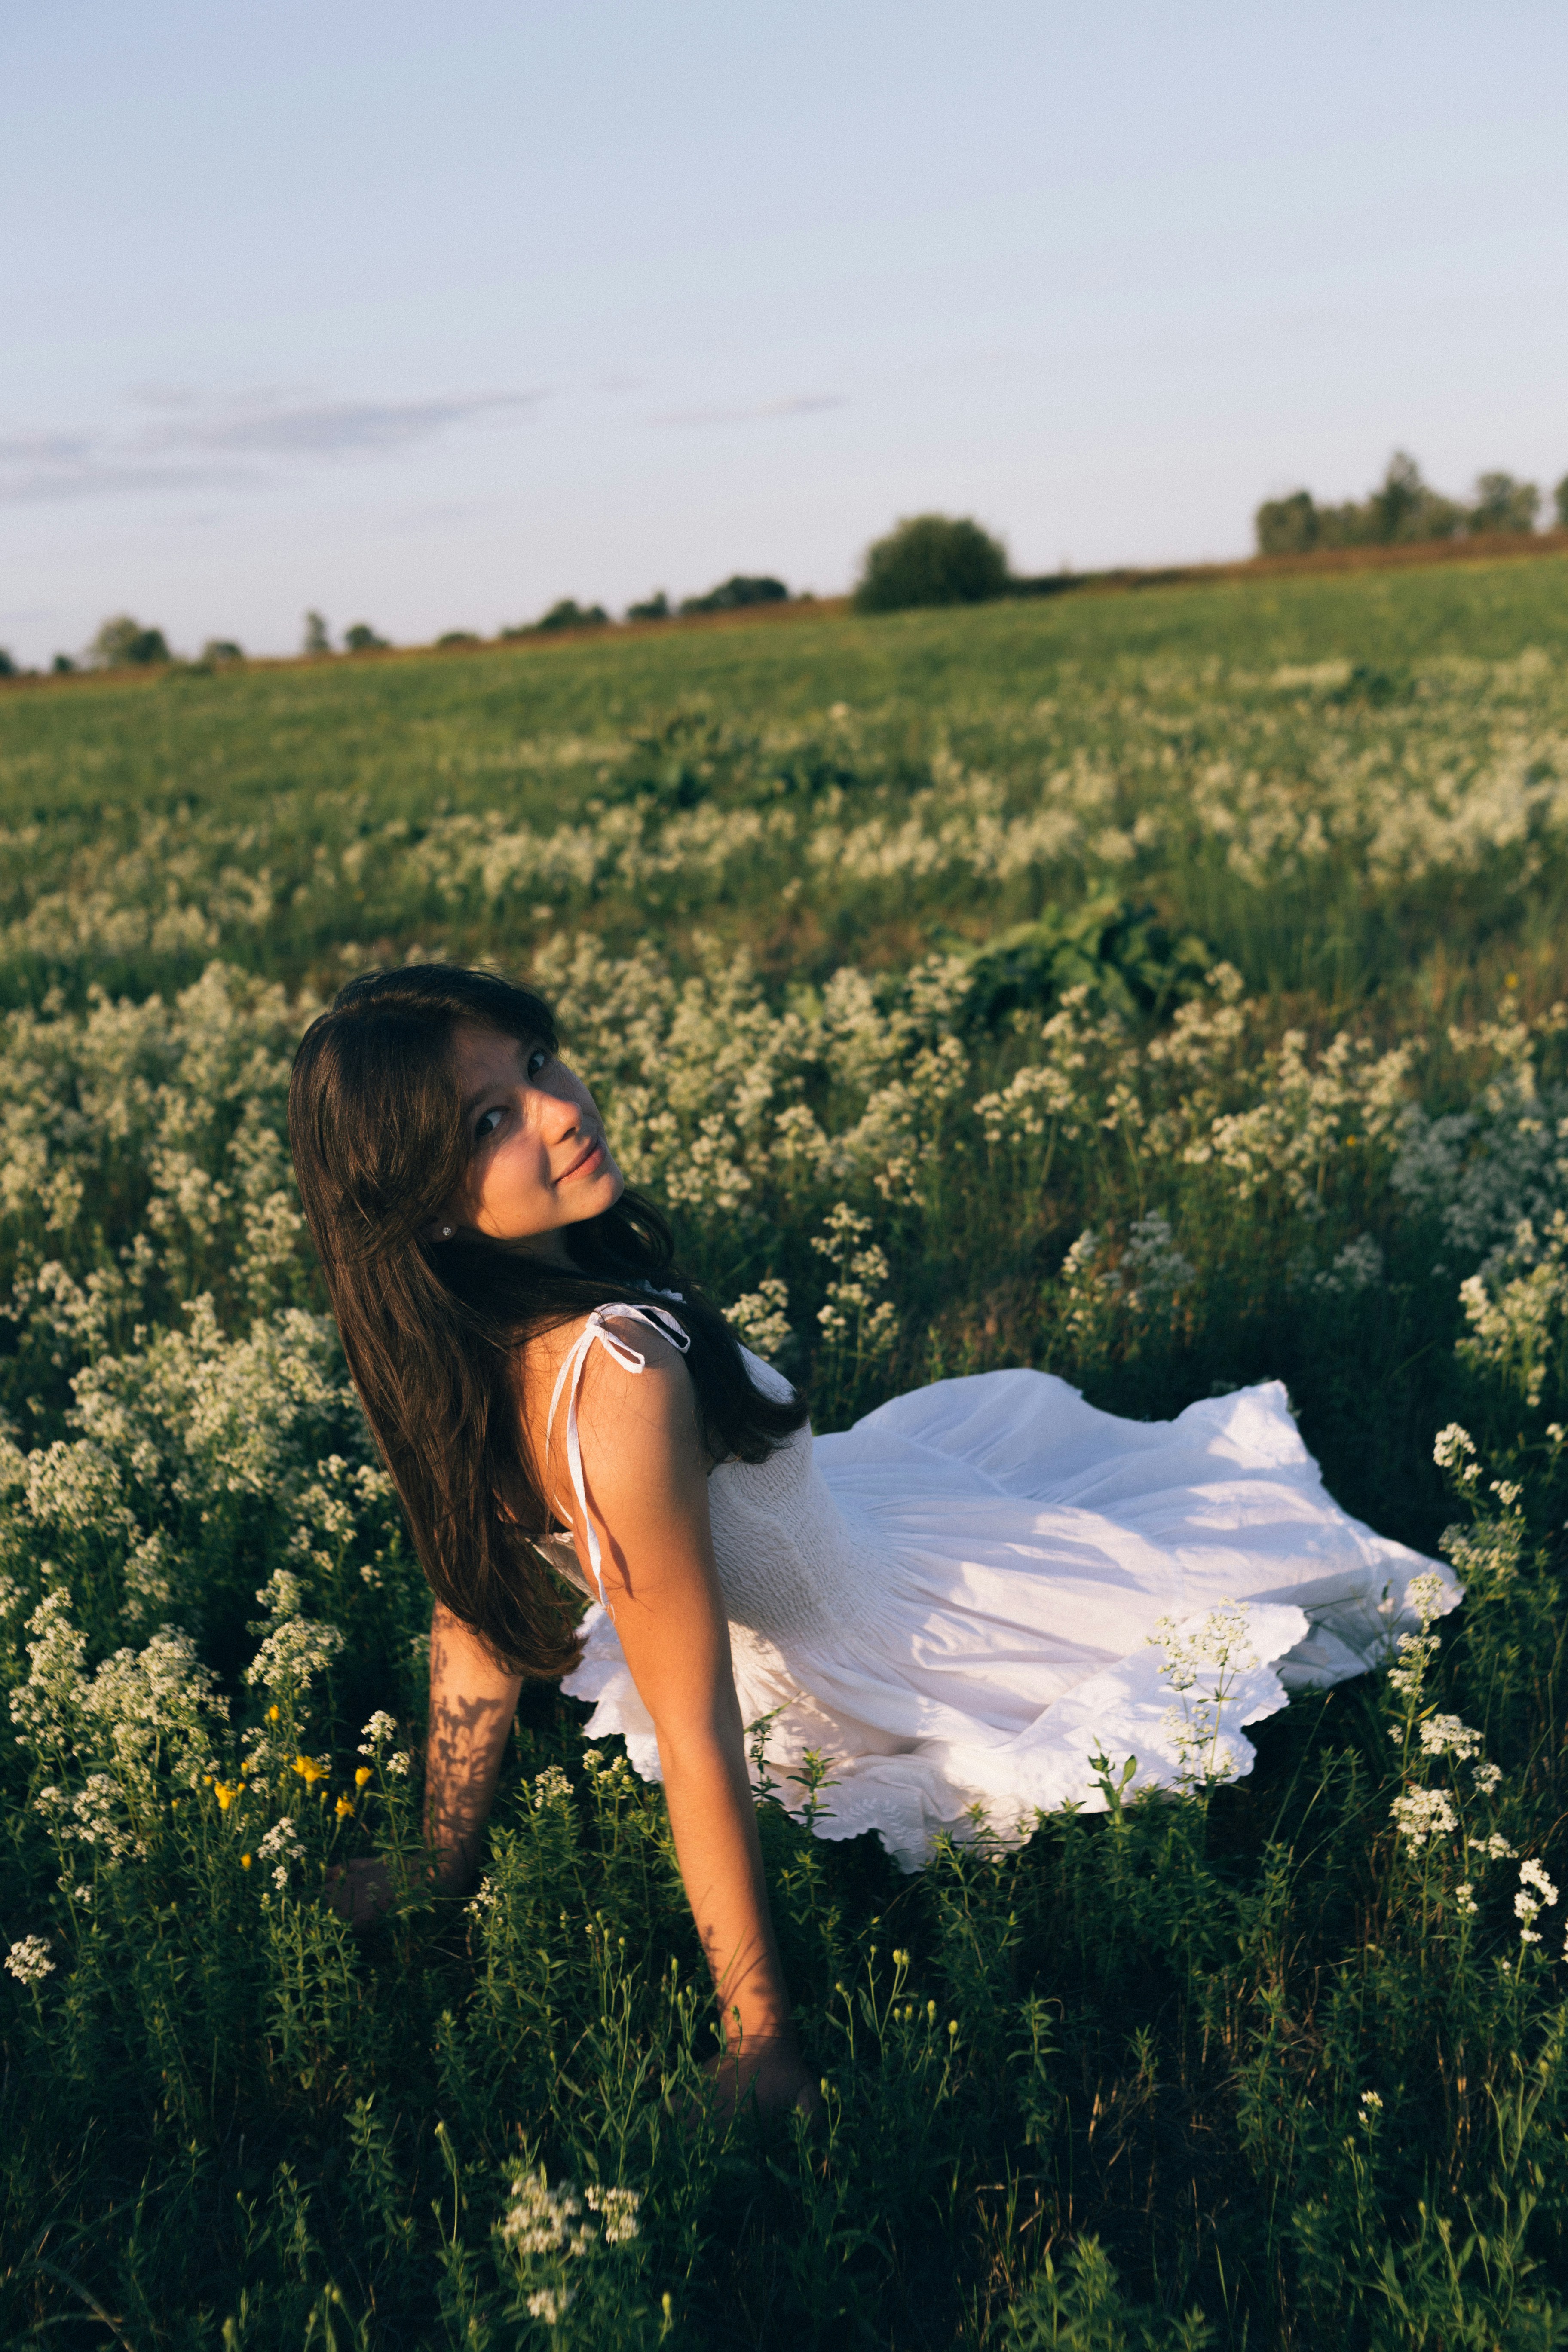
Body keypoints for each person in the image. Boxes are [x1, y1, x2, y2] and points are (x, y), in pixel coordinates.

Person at [288, 964, 1455, 2120]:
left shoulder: (461, 1341)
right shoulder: (616, 1380)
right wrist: (761, 2039)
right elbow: (684, 1725)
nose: (559, 1108)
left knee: (1196, 1539)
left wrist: (446, 1861)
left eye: (539, 1062)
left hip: (847, 1532)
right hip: (880, 1630)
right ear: (423, 1200)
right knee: (1208, 1587)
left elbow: (472, 1614)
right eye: (491, 1119)